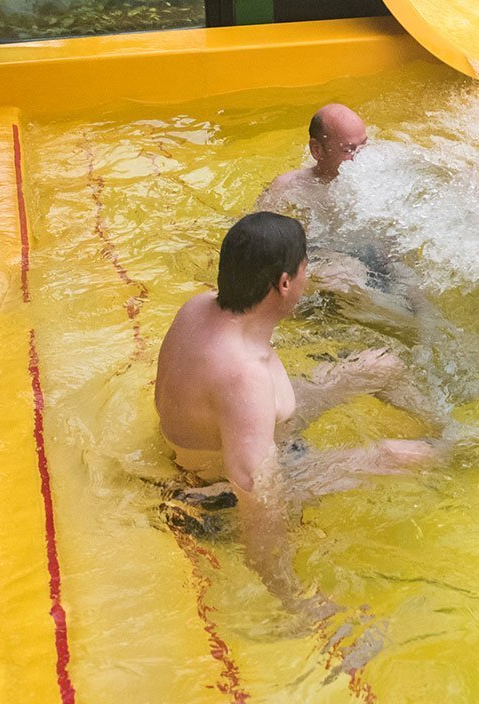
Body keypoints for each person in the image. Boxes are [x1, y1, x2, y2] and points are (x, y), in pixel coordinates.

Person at [155, 211, 438, 610]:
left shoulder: (200, 307)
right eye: (306, 269)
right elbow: (256, 493)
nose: (309, 279)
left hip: (244, 429)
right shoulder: (243, 376)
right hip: (216, 500)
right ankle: (476, 456)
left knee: (380, 366)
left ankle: (448, 429)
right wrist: (290, 597)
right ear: (284, 283)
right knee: (402, 456)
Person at [257, 103, 420, 336]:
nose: (360, 157)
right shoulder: (288, 189)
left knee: (413, 279)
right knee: (346, 274)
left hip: (374, 255)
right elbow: (261, 247)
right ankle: (409, 329)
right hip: (332, 263)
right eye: (349, 149)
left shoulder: (378, 175)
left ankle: (428, 329)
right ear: (317, 150)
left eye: (363, 145)